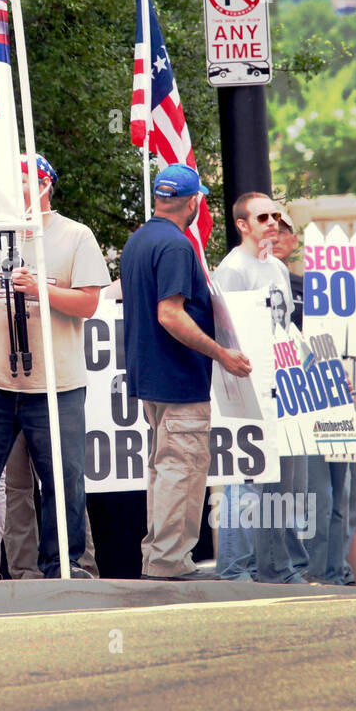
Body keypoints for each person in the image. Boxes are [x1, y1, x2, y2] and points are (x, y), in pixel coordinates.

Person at [0, 154, 110, 579]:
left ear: (43, 184)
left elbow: (90, 303)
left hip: (56, 384)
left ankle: (64, 565)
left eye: (17, 181)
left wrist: (41, 290)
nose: (7, 190)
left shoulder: (75, 235)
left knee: (62, 479)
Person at [120, 164, 251, 580]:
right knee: (182, 469)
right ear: (194, 201)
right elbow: (170, 315)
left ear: (161, 198)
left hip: (153, 380)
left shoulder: (138, 240)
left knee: (164, 470)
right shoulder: (176, 247)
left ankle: (158, 558)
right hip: (178, 380)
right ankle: (170, 562)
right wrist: (222, 354)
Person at [212, 191, 309, 583]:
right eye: (263, 217)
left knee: (282, 479)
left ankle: (277, 567)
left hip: (282, 379)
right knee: (247, 476)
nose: (273, 222)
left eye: (276, 215)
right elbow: (226, 330)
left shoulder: (278, 269)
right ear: (242, 225)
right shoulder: (233, 268)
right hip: (248, 383)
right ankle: (235, 568)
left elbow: (283, 328)